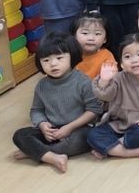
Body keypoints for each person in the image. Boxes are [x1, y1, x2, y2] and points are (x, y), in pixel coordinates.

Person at [12, 32, 101, 173]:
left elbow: (94, 111)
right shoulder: (42, 85)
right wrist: (42, 125)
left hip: (77, 129)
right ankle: (52, 156)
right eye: (46, 60)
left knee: (87, 137)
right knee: (20, 135)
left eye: (59, 58)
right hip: (52, 132)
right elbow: (36, 110)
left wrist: (69, 128)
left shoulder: (83, 82)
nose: (53, 64)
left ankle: (38, 153)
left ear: (72, 56)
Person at [87, 33, 139, 159]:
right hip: (118, 124)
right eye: (127, 56)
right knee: (93, 134)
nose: (134, 60)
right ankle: (127, 152)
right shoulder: (118, 78)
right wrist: (104, 81)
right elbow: (105, 96)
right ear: (121, 63)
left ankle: (112, 148)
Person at [72, 11, 115, 79]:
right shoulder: (70, 54)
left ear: (105, 39)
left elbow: (111, 80)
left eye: (97, 34)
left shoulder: (107, 56)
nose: (91, 38)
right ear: (74, 36)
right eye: (85, 33)